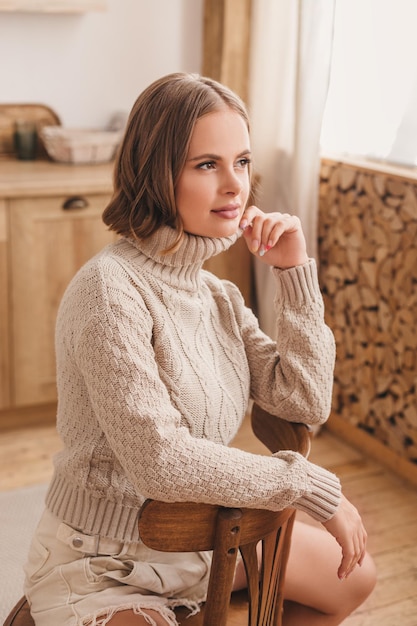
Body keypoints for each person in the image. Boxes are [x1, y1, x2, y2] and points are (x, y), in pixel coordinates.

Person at [24, 72, 376, 626]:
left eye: (242, 161)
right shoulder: (108, 292)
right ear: (156, 174)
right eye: (207, 164)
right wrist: (304, 483)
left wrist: (295, 276)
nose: (235, 186)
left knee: (356, 577)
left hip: (202, 542)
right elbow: (161, 462)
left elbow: (304, 403)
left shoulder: (217, 295)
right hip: (103, 564)